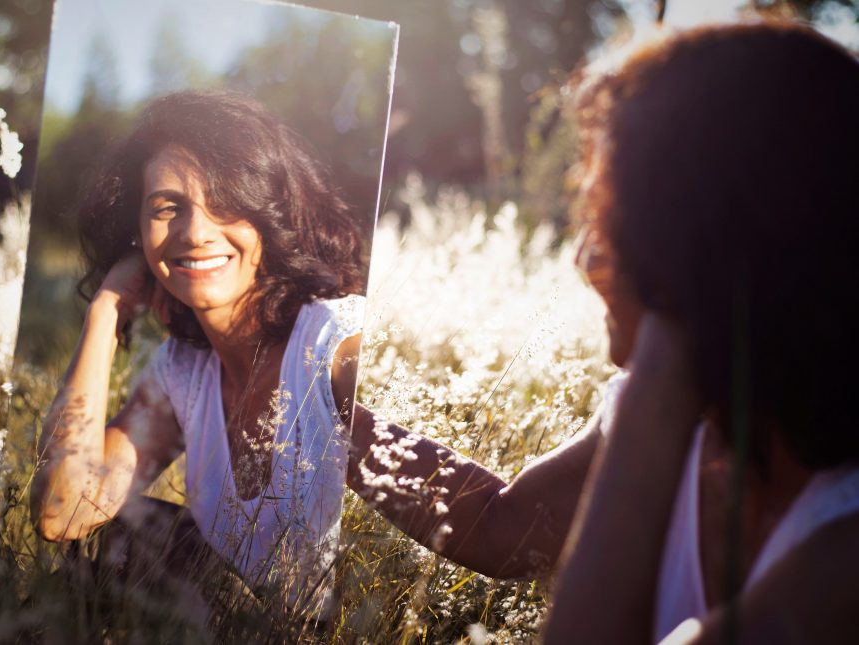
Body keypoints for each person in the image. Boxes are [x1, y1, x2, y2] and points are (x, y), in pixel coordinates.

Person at [345, 21, 859, 644]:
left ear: (712, 242)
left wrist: (659, 383)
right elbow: (500, 526)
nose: (584, 258)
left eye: (612, 222)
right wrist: (333, 410)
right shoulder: (693, 418)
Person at [29, 89, 367, 617]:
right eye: (167, 208)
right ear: (136, 234)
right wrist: (107, 308)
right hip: (242, 624)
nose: (196, 232)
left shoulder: (337, 341)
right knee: (114, 538)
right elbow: (63, 512)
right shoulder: (183, 373)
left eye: (227, 202)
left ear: (270, 215)